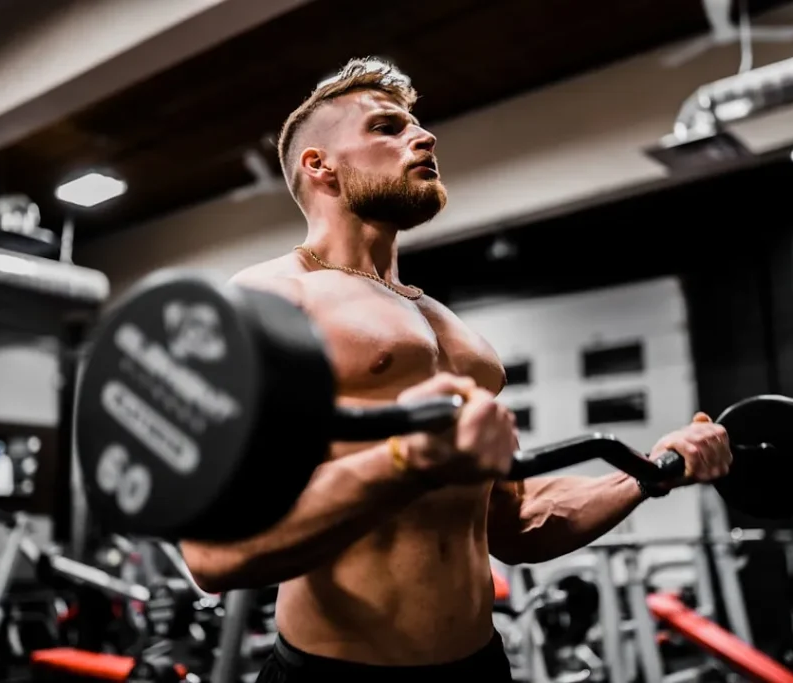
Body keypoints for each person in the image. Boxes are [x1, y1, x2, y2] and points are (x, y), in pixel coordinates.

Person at [179, 57, 732, 681]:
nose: (424, 136)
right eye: (387, 127)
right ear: (319, 165)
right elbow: (213, 553)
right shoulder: (267, 300)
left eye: (415, 125)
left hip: (479, 666)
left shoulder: (451, 329)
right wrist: (403, 459)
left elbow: (516, 524)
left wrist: (652, 473)